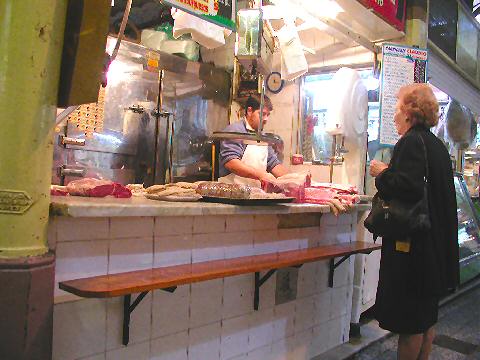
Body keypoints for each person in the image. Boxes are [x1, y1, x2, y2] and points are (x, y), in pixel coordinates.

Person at [369, 83, 459, 360]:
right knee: (426, 319)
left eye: (397, 109)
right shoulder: (437, 146)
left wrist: (382, 172)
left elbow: (405, 187)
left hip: (413, 250)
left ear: (409, 111)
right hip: (434, 249)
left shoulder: (410, 142)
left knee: (410, 325)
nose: (394, 115)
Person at [218, 95, 289, 187]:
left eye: (268, 115)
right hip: (232, 193)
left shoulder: (262, 137)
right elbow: (231, 163)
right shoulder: (235, 131)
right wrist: (261, 175)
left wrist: (293, 179)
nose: (266, 119)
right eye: (262, 114)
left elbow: (273, 164)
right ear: (250, 111)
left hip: (255, 193)